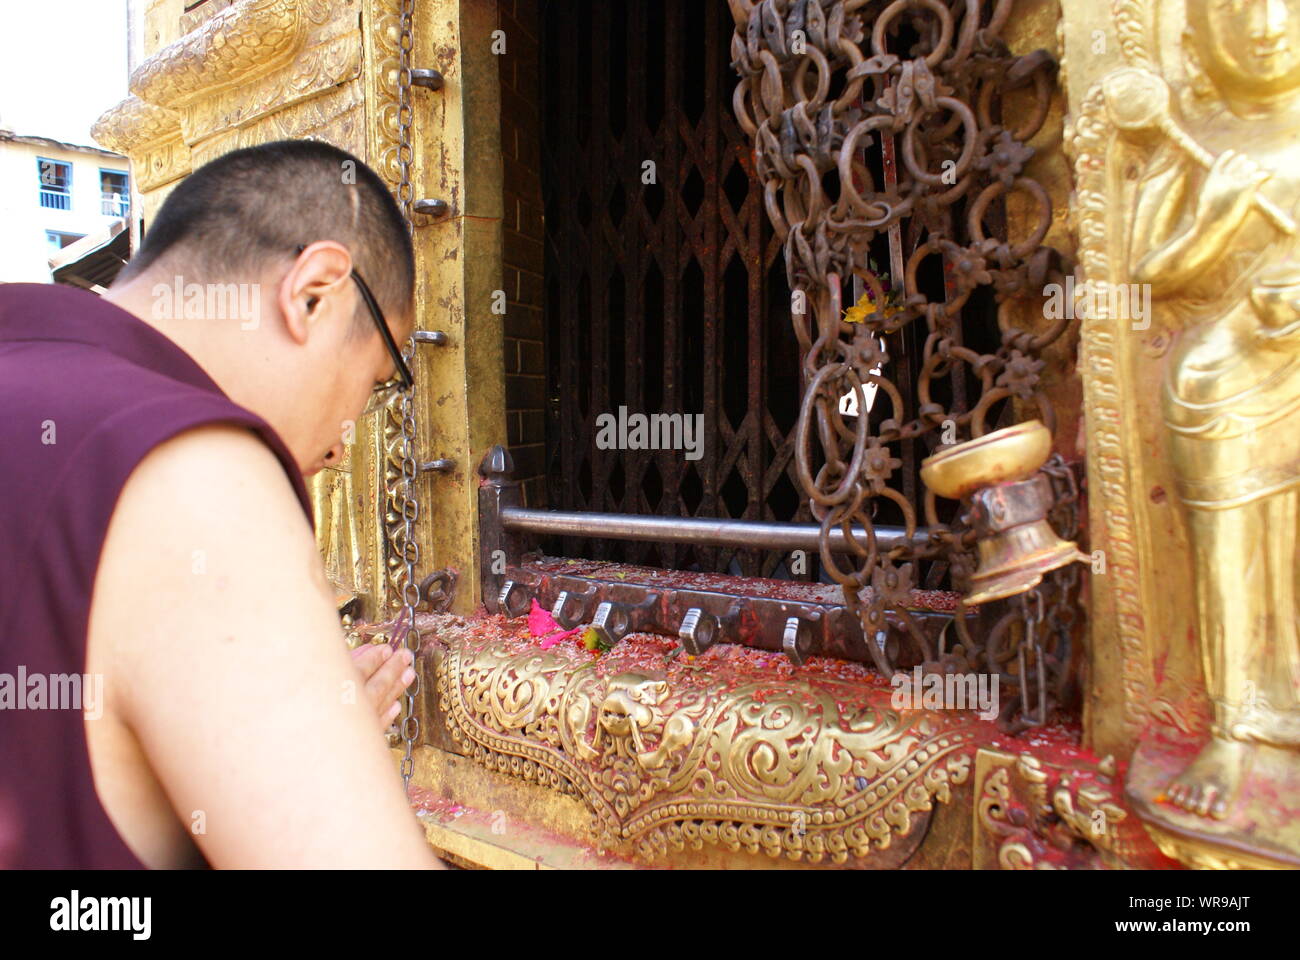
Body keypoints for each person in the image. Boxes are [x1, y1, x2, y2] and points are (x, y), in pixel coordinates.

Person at [0, 139, 444, 868]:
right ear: (314, 293)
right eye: (374, 382)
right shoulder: (195, 465)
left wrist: (280, 758)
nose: (338, 450)